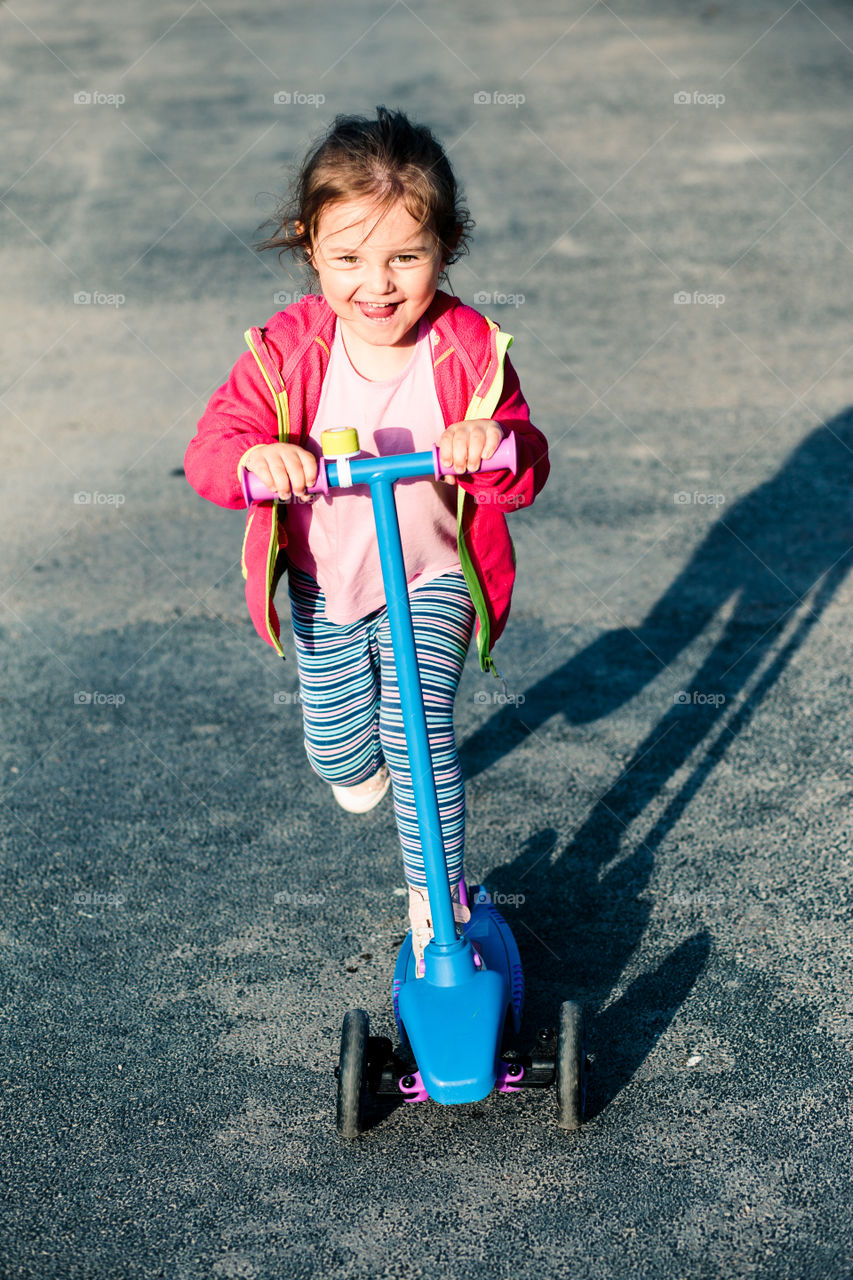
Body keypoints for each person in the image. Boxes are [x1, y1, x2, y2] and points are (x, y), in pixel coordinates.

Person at [184, 106, 549, 974]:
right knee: (343, 758)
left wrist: (486, 445)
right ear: (308, 247)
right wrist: (257, 461)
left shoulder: (466, 351)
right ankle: (357, 765)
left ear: (445, 247)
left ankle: (438, 900)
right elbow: (210, 451)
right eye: (347, 258)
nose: (375, 284)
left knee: (418, 733)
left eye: (404, 258)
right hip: (327, 581)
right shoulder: (284, 350)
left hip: (430, 574)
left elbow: (526, 464)